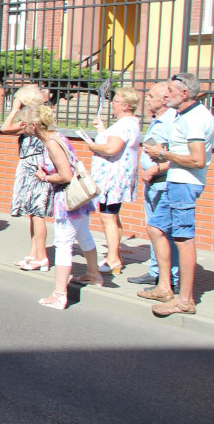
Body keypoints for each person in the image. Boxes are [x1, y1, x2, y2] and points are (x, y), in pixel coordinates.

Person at [141, 72, 214, 317]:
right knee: (156, 227)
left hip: (185, 183)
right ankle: (164, 287)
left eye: (170, 91)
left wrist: (164, 155)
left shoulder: (194, 119)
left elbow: (197, 159)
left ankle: (185, 300)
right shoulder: (185, 115)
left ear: (185, 93)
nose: (165, 95)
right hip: (176, 180)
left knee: (183, 238)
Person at [21, 104, 100, 309]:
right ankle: (93, 274)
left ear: (36, 125)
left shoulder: (51, 144)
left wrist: (45, 176)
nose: (23, 127)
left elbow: (65, 175)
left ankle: (59, 295)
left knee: (63, 245)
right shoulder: (57, 137)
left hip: (67, 199)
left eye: (26, 123)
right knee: (84, 236)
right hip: (79, 199)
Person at [84, 86, 141, 274]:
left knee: (108, 217)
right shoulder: (129, 123)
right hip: (116, 176)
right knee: (112, 217)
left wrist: (94, 146)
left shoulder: (125, 124)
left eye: (115, 101)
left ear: (125, 105)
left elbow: (112, 148)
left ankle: (113, 259)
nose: (112, 104)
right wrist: (102, 129)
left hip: (113, 178)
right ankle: (114, 255)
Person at [128, 82, 180, 289]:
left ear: (164, 99)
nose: (146, 99)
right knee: (153, 229)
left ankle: (173, 278)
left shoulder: (171, 122)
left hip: (162, 182)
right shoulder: (158, 120)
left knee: (164, 232)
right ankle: (155, 271)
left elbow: (176, 155)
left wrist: (156, 170)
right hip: (152, 183)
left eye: (151, 95)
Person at [0, 85, 52, 270]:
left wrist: (14, 109)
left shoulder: (30, 121)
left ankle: (42, 257)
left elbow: (5, 128)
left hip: (32, 167)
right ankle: (34, 253)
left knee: (37, 213)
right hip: (35, 165)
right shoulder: (40, 117)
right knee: (33, 213)